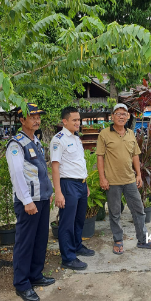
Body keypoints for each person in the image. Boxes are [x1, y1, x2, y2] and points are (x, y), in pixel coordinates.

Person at [96, 103, 151, 255]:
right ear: (112, 116)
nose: (121, 116)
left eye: (124, 114)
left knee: (138, 210)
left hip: (130, 179)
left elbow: (135, 155)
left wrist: (138, 174)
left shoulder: (131, 133)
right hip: (112, 181)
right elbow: (100, 157)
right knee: (115, 213)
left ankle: (143, 239)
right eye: (118, 113)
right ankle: (118, 240)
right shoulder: (104, 134)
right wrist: (102, 178)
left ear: (128, 117)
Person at [6, 103, 54, 301]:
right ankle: (22, 284)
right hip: (29, 202)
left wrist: (48, 192)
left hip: (41, 199)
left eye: (38, 116)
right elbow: (17, 175)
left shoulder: (36, 141)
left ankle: (35, 274)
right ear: (21, 120)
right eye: (32, 116)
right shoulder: (16, 144)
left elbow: (40, 170)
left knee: (40, 239)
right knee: (25, 243)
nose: (36, 119)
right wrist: (26, 201)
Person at [50, 107, 95, 271]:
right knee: (67, 222)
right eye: (74, 120)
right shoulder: (58, 140)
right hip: (68, 185)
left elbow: (79, 163)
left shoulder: (76, 138)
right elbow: (55, 168)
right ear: (65, 121)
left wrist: (86, 184)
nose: (78, 122)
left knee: (79, 219)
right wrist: (58, 192)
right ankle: (68, 258)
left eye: (79, 119)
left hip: (81, 184)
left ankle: (77, 246)